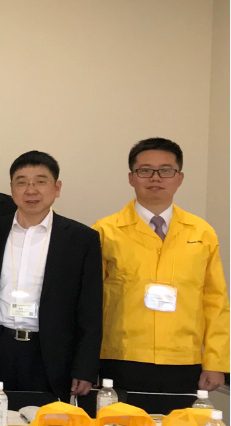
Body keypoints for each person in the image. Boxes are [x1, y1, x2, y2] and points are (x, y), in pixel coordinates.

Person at [93, 138, 228, 393]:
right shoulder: (105, 232)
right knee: (117, 420)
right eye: (145, 170)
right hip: (120, 357)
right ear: (131, 178)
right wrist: (86, 363)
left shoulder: (202, 233)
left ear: (179, 178)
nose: (155, 178)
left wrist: (216, 361)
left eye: (166, 171)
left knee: (180, 420)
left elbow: (215, 301)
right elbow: (87, 303)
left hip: (183, 359)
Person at [0, 151, 101, 399]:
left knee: (47, 420)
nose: (31, 190)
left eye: (41, 181)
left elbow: (90, 309)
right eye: (22, 182)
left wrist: (85, 367)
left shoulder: (81, 239)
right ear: (12, 189)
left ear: (57, 188)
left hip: (51, 352)